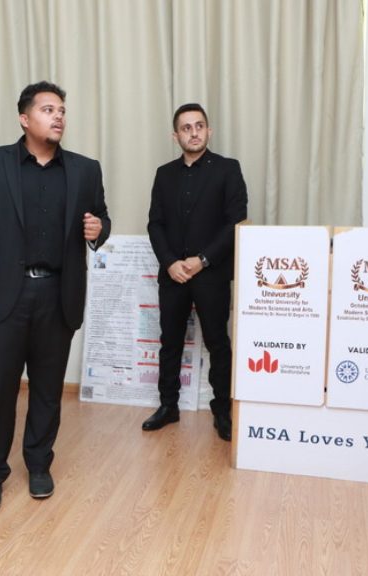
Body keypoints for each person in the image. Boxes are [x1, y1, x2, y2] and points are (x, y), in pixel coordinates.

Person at [0, 81, 111, 512]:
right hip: (3, 295)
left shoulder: (85, 170)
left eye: (62, 110)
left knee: (47, 388)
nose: (58, 117)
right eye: (47, 109)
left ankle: (39, 464)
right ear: (24, 119)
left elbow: (100, 219)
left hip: (58, 293)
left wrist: (99, 230)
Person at [143, 103, 248, 441]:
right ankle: (168, 406)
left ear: (209, 130)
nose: (194, 132)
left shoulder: (228, 169)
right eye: (186, 128)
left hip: (211, 274)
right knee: (169, 342)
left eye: (199, 126)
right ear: (175, 136)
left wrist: (202, 260)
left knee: (218, 343)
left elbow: (235, 221)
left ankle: (222, 411)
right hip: (173, 274)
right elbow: (155, 224)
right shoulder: (164, 174)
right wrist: (170, 262)